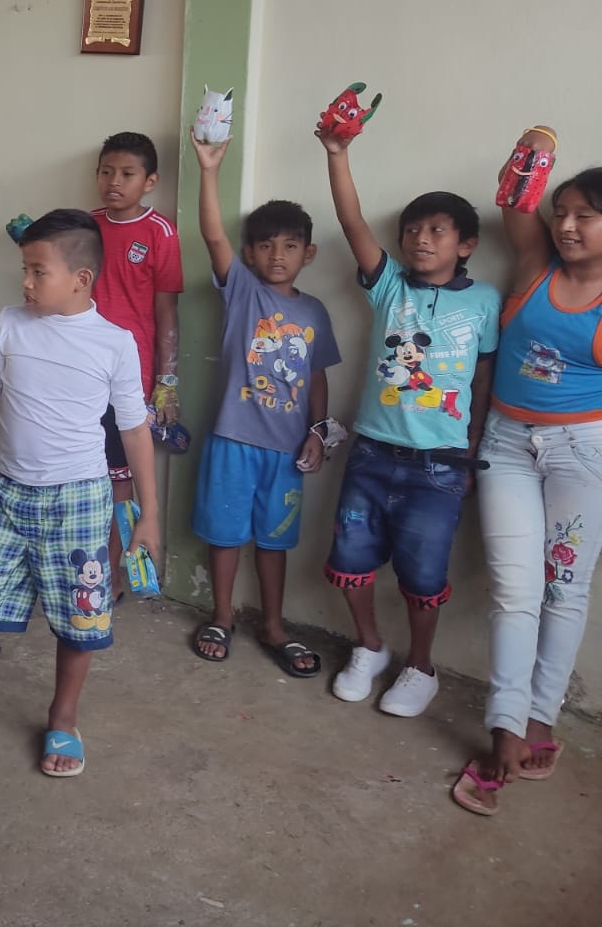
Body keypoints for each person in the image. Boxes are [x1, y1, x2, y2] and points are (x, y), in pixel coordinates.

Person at [0, 211, 160, 776]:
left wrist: (149, 514)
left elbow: (134, 429)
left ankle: (63, 718)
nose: (26, 282)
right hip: (12, 495)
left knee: (80, 615)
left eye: (38, 271)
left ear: (81, 279)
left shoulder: (115, 343)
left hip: (79, 500)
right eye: (25, 269)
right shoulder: (10, 323)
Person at [317, 123, 501, 716]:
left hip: (440, 466)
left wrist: (472, 453)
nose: (422, 238)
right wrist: (338, 153)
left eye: (437, 230)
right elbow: (351, 221)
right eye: (413, 230)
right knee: (350, 561)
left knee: (423, 576)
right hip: (371, 454)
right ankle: (369, 647)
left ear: (466, 244)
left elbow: (483, 381)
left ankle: (421, 667)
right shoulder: (389, 287)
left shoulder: (485, 301)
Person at [453, 135, 602, 816]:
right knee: (516, 591)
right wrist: (535, 148)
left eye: (585, 216)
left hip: (583, 454)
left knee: (566, 589)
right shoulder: (537, 263)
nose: (566, 226)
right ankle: (504, 730)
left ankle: (541, 719)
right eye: (562, 212)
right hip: (507, 444)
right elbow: (516, 203)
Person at [188, 132, 341, 674]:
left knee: (275, 542)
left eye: (291, 245)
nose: (278, 255)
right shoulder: (242, 291)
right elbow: (212, 234)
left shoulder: (315, 312)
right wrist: (209, 170)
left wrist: (319, 431)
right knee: (226, 535)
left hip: (287, 451)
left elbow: (317, 376)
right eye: (266, 245)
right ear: (250, 253)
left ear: (308, 253)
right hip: (233, 441)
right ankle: (222, 615)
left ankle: (274, 625)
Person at [90, 132, 184, 573]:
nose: (114, 181)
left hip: (130, 375)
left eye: (127, 174)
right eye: (106, 171)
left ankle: (113, 575)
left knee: (119, 480)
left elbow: (167, 312)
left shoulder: (160, 232)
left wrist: (167, 382)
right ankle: (83, 571)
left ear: (150, 182)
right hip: (81, 371)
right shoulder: (85, 226)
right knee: (82, 473)